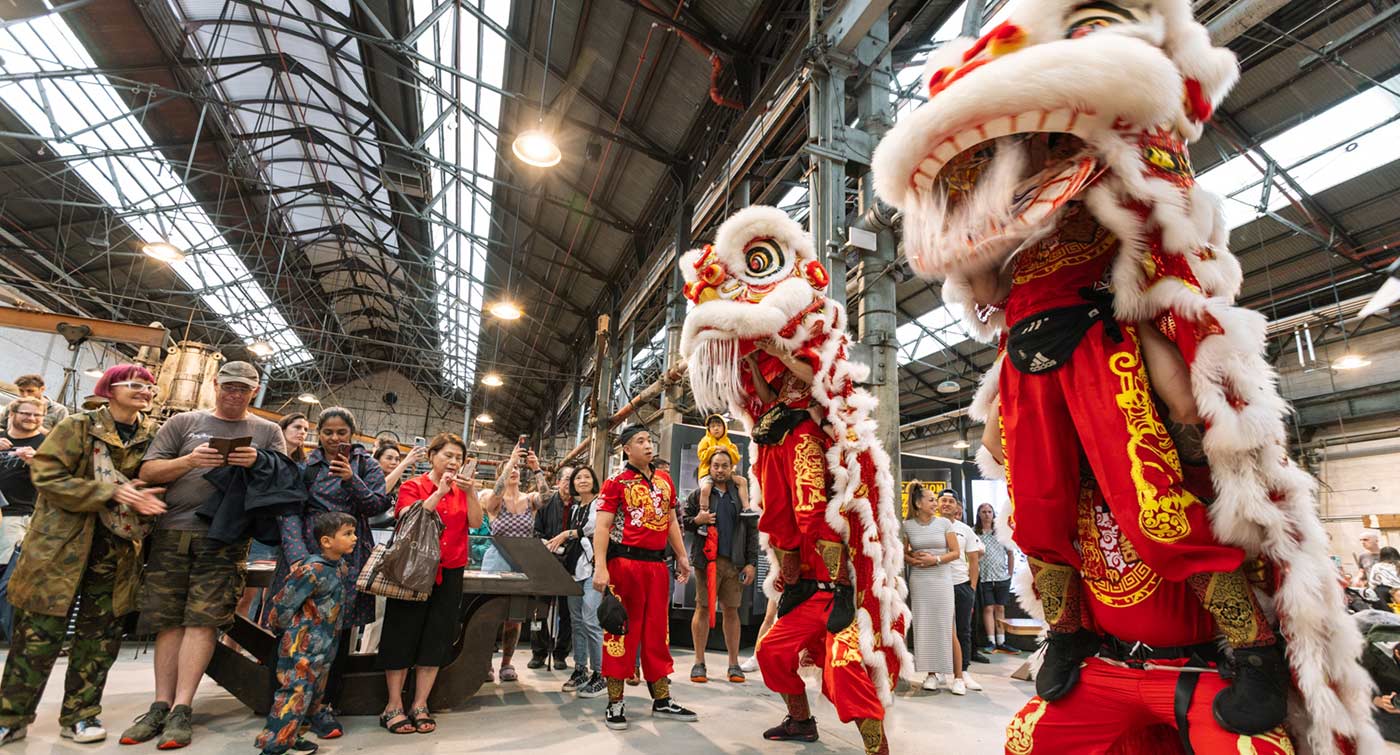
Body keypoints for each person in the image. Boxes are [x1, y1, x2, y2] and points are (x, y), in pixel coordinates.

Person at [0, 365, 165, 745]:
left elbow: (152, 481)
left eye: (149, 387)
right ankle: (12, 715)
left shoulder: (150, 436)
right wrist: (109, 492)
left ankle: (81, 715)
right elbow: (46, 476)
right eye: (135, 385)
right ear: (110, 389)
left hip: (116, 553)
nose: (145, 391)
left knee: (99, 638)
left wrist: (145, 495)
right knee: (37, 635)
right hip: (61, 547)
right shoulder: (78, 426)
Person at [126, 361, 286, 750]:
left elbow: (285, 483)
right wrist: (190, 461)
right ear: (215, 385)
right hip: (172, 533)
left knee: (203, 622)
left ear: (255, 390)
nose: (235, 394)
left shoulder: (267, 431)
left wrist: (259, 463)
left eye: (243, 389)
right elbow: (148, 470)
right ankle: (160, 704)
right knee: (168, 621)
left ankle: (183, 707)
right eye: (229, 387)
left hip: (226, 539)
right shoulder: (182, 423)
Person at [269, 407, 388, 739]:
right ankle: (283, 705)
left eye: (342, 434)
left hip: (347, 558)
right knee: (293, 629)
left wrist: (352, 480)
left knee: (335, 633)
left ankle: (324, 706)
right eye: (328, 433)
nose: (335, 439)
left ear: (352, 435)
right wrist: (297, 558)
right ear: (317, 435)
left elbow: (378, 506)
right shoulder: (305, 466)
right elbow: (289, 509)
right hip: (305, 555)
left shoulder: (366, 465)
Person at [592, 425, 697, 731]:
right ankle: (615, 702)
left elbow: (671, 520)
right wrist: (601, 566)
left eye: (650, 440)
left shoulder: (665, 480)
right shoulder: (615, 483)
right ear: (626, 449)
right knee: (621, 631)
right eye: (640, 441)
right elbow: (602, 527)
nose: (648, 445)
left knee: (657, 632)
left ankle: (662, 699)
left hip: (656, 567)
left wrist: (680, 555)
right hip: (624, 565)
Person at [378, 433, 480, 735]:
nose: (453, 462)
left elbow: (475, 523)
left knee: (437, 636)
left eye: (458, 458)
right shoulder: (413, 485)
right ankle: (393, 704)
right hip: (413, 570)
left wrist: (471, 493)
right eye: (448, 455)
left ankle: (420, 703)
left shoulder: (464, 491)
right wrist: (438, 492)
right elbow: (407, 516)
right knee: (401, 633)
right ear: (432, 456)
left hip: (450, 570)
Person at [255, 512, 356, 755]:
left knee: (313, 697)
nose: (354, 538)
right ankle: (273, 746)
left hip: (326, 646)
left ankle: (295, 736)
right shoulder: (311, 570)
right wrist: (285, 631)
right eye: (348, 534)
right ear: (326, 541)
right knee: (293, 695)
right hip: (301, 647)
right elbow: (283, 604)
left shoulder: (340, 566)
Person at [682, 448, 757, 684]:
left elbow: (751, 530)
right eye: (716, 465)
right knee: (703, 608)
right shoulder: (699, 494)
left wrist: (751, 563)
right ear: (709, 467)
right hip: (706, 563)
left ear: (732, 467)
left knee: (732, 611)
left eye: (725, 465)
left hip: (734, 563)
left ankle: (734, 664)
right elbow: (683, 521)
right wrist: (697, 520)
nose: (720, 470)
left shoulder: (741, 495)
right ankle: (698, 663)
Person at [478, 444, 544, 681]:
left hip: (521, 560)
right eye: (509, 468)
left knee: (514, 617)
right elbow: (491, 502)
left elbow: (545, 496)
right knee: (489, 615)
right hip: (497, 557)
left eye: (517, 468)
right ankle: (484, 662)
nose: (514, 470)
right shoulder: (491, 497)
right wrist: (509, 461)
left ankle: (507, 663)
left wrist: (537, 470)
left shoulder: (529, 499)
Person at [544, 466, 607, 697]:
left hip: (593, 569)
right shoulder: (575, 508)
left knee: (591, 621)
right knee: (576, 621)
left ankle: (600, 674)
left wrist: (567, 534)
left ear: (594, 480)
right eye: (578, 477)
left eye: (586, 476)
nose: (582, 480)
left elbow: (593, 528)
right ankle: (580, 669)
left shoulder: (600, 503)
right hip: (575, 570)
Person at [901, 481, 962, 694]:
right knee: (924, 625)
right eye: (931, 500)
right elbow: (903, 553)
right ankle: (931, 674)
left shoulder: (944, 524)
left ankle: (957, 676)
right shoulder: (907, 526)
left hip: (942, 579)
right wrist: (913, 560)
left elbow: (956, 553)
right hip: (920, 580)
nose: (935, 503)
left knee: (946, 626)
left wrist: (935, 560)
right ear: (918, 503)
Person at [939, 491, 986, 690]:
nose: (947, 504)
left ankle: (963, 671)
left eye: (951, 501)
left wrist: (972, 588)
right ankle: (939, 670)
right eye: (944, 500)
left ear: (957, 506)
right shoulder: (931, 527)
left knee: (963, 629)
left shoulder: (965, 530)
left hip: (961, 585)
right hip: (938, 584)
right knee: (939, 629)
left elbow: (974, 561)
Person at [531, 463, 575, 671]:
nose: (570, 483)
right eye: (566, 479)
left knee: (568, 612)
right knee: (538, 610)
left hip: (572, 565)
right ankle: (539, 652)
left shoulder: (580, 505)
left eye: (573, 479)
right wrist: (549, 546)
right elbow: (536, 532)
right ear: (558, 482)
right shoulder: (547, 503)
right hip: (546, 562)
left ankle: (561, 653)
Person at [0, 397, 49, 569]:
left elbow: (54, 482)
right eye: (26, 413)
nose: (32, 418)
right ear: (12, 414)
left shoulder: (47, 446)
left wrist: (37, 463)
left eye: (38, 415)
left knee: (3, 568)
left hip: (14, 515)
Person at [974, 502, 1018, 654]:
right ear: (979, 514)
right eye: (983, 511)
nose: (987, 514)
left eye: (989, 511)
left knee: (1000, 608)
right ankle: (991, 641)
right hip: (984, 576)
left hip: (1001, 577)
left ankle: (1002, 641)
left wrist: (1010, 574)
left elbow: (1010, 553)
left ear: (993, 514)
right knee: (988, 608)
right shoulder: (974, 532)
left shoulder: (1000, 532)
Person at [695, 415, 748, 515]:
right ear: (708, 429)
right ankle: (703, 512)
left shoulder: (728, 442)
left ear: (724, 427)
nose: (716, 428)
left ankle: (746, 508)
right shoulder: (705, 441)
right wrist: (714, 449)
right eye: (713, 426)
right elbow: (701, 456)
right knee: (705, 489)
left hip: (727, 475)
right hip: (707, 473)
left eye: (719, 425)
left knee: (742, 481)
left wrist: (727, 450)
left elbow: (736, 458)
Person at [0, 374, 67, 432]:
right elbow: (1, 426)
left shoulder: (59, 410)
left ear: (42, 389)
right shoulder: (12, 406)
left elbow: (60, 439)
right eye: (21, 390)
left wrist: (36, 427)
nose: (25, 395)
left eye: (30, 391)